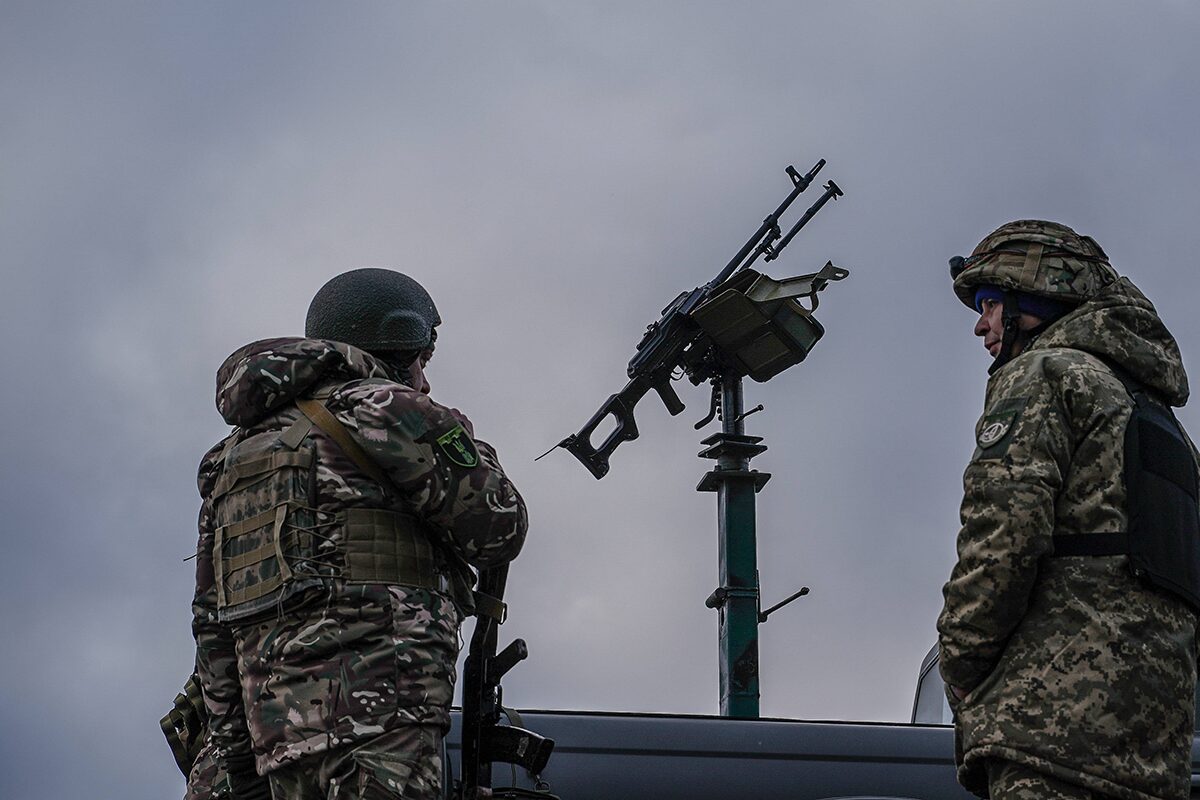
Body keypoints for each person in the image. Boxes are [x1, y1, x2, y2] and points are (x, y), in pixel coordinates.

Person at [190, 268, 527, 799]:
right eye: (422, 359)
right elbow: (500, 529)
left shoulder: (231, 458)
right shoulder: (390, 410)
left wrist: (238, 761)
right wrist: (465, 440)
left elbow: (213, 623)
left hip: (273, 745)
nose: (425, 379)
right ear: (395, 341)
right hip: (381, 724)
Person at [937, 220, 1200, 800]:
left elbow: (1001, 541)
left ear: (1030, 299)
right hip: (1157, 752)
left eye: (987, 303)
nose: (981, 324)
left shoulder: (1044, 375)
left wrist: (959, 669)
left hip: (1050, 734)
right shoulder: (1162, 424)